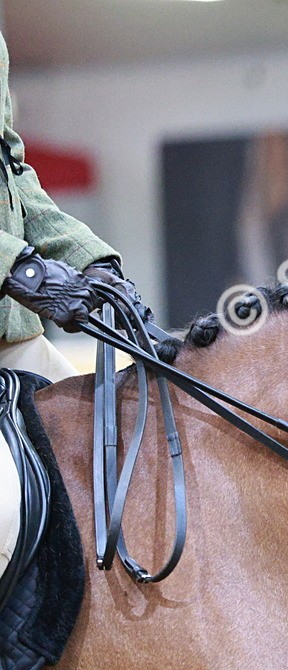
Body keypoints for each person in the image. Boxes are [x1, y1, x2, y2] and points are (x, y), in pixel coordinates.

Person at [0, 29, 142, 591]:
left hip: (14, 339)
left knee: (122, 459)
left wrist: (93, 262)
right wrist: (19, 267)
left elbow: (12, 170)